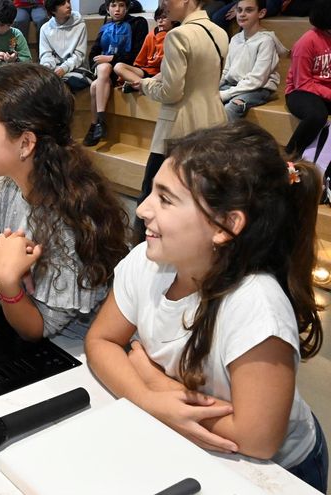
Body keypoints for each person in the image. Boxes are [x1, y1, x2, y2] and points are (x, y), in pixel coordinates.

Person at [85, 121, 328, 494]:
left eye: (166, 199)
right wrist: (150, 401)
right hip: (196, 446)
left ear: (225, 225)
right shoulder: (146, 261)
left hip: (277, 472)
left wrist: (150, 378)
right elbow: (101, 340)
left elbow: (256, 438)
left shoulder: (256, 305)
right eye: (152, 193)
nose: (144, 209)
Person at [0, 64, 130, 341]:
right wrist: (1, 271)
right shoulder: (11, 189)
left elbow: (36, 329)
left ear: (26, 143)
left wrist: (7, 280)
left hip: (75, 352)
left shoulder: (71, 220)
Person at [134, 0, 228, 240]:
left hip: (179, 125)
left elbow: (171, 92)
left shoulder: (178, 35)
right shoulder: (220, 32)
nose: (164, 4)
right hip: (215, 119)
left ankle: (141, 252)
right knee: (198, 194)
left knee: (153, 193)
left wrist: (144, 85)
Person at [83, 0, 148, 146]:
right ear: (107, 9)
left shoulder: (138, 23)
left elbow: (136, 54)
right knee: (103, 69)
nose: (117, 10)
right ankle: (99, 123)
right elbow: (93, 54)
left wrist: (112, 58)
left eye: (121, 5)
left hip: (126, 69)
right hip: (105, 73)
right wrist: (103, 61)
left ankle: (96, 124)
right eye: (113, 6)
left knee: (95, 86)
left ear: (127, 8)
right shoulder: (105, 27)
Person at [219, 0, 288, 121]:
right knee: (205, 101)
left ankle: (230, 140)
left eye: (249, 10)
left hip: (258, 89)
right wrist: (215, 88)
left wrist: (225, 94)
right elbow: (226, 70)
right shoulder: (235, 39)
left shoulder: (266, 41)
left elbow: (257, 79)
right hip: (235, 85)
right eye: (239, 10)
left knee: (232, 107)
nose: (242, 14)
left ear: (261, 13)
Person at [285, 0, 331, 156]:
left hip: (324, 91)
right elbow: (302, 82)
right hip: (300, 91)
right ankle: (289, 156)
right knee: (316, 116)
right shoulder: (307, 41)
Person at [114, 7, 176, 93]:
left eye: (164, 17)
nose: (160, 21)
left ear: (174, 20)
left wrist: (161, 35)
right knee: (118, 66)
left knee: (167, 74)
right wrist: (127, 75)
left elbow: (162, 61)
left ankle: (139, 86)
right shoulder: (151, 35)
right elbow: (140, 60)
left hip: (161, 73)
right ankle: (142, 86)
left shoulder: (175, 35)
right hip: (147, 71)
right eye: (158, 18)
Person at [38, 0, 91, 92]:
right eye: (62, 4)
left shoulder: (80, 25)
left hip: (76, 69)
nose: (68, 6)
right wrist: (47, 69)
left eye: (68, 1)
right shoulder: (45, 28)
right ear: (53, 10)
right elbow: (46, 55)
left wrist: (64, 68)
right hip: (54, 70)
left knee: (62, 86)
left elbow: (79, 55)